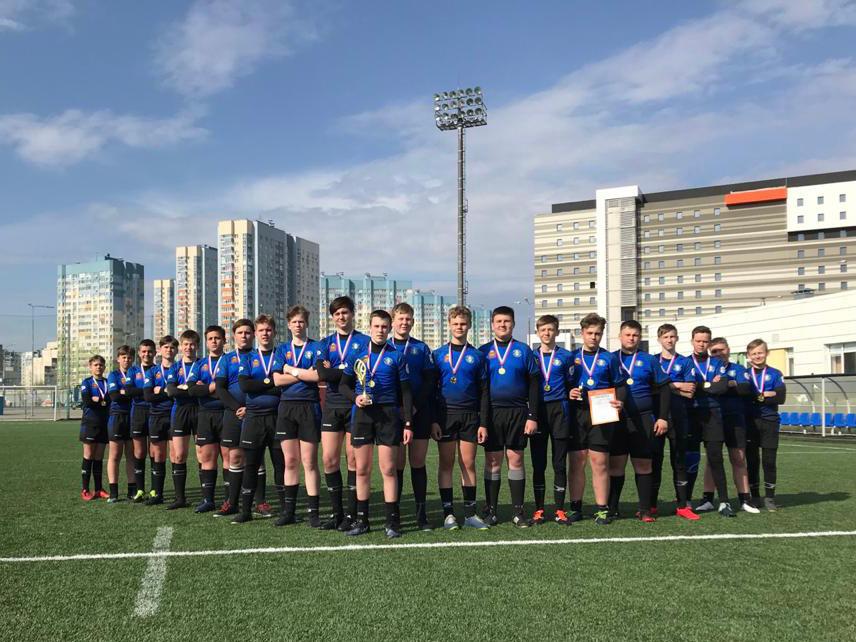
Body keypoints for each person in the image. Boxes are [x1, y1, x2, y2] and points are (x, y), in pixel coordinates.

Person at [339, 309, 413, 538]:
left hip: (388, 415)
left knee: (388, 469)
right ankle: (362, 521)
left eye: (384, 327)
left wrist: (408, 423)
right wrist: (355, 398)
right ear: (369, 327)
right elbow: (343, 385)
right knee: (362, 469)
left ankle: (392, 522)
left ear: (389, 329)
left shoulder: (397, 356)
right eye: (376, 326)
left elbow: (406, 392)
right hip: (363, 415)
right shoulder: (357, 355)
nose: (380, 330)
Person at [479, 306, 540, 527]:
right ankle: (491, 510)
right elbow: (481, 388)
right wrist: (482, 420)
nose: (503, 325)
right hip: (493, 412)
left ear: (513, 324)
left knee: (515, 459)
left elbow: (534, 385)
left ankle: (517, 511)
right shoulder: (483, 351)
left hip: (518, 412)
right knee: (492, 460)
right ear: (492, 324)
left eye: (507, 321)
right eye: (499, 321)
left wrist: (532, 416)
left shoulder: (523, 350)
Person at [431, 305, 490, 530]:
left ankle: (470, 514)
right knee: (446, 463)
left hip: (469, 416)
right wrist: (434, 420)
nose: (459, 327)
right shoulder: (437, 355)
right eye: (455, 323)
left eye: (463, 323)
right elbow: (432, 390)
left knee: (468, 464)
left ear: (469, 325)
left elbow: (484, 392)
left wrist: (483, 422)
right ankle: (448, 514)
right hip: (445, 415)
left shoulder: (477, 356)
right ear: (449, 325)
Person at [606, 320, 671, 522]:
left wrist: (662, 417)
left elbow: (665, 388)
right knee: (616, 465)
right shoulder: (610, 358)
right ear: (620, 336)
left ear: (640, 337)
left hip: (643, 418)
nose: (631, 338)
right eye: (627, 334)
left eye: (635, 335)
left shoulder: (649, 360)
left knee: (643, 465)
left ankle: (644, 510)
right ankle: (612, 508)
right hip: (617, 418)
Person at [567, 313, 625, 525]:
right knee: (577, 461)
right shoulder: (571, 357)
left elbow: (620, 385)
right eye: (590, 333)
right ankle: (575, 507)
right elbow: (564, 384)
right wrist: (569, 391)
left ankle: (602, 509)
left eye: (597, 333)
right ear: (582, 333)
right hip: (577, 413)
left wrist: (620, 401)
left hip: (601, 412)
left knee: (600, 462)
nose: (593, 337)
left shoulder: (609, 358)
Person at [314, 296, 365, 531]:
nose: (341, 317)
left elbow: (361, 374)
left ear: (352, 314)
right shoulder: (324, 343)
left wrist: (335, 370)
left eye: (345, 312)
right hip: (332, 406)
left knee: (353, 460)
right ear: (332, 317)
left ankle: (352, 515)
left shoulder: (364, 342)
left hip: (355, 406)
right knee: (329, 459)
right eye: (337, 314)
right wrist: (346, 370)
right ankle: (337, 514)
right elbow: (323, 375)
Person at [272, 306, 323, 527]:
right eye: (294, 322)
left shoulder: (317, 347)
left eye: (301, 321)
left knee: (309, 462)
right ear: (289, 324)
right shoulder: (282, 349)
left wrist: (290, 370)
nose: (298, 325)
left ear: (307, 323)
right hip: (287, 408)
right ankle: (289, 512)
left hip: (309, 406)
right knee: (290, 461)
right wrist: (303, 374)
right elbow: (277, 380)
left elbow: (318, 376)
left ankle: (313, 514)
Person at [232, 315, 284, 524]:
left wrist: (261, 384)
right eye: (261, 330)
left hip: (277, 417)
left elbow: (284, 385)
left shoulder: (282, 354)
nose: (265, 333)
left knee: (280, 464)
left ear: (274, 332)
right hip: (253, 418)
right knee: (251, 465)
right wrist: (272, 381)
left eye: (268, 330)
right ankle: (246, 510)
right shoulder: (248, 358)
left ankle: (285, 509)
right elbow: (245, 386)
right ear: (256, 333)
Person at [390, 302, 437, 531]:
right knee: (397, 464)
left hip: (419, 411)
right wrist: (399, 408)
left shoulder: (421, 348)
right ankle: (395, 515)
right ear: (392, 321)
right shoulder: (384, 347)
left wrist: (414, 407)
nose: (404, 322)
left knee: (417, 462)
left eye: (408, 319)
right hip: (394, 413)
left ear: (413, 322)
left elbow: (430, 381)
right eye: (400, 318)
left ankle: (421, 516)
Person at [686, 326, 734, 517]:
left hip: (713, 414)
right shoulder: (685, 362)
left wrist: (701, 385)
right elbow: (689, 387)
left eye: (705, 341)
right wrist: (709, 383)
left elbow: (722, 387)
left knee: (715, 458)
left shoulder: (716, 362)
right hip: (691, 414)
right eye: (698, 341)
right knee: (690, 459)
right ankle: (686, 501)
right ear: (692, 341)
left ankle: (724, 502)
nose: (701, 344)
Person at [530, 314, 574, 525]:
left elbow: (572, 382)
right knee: (539, 463)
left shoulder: (566, 356)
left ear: (556, 331)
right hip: (538, 411)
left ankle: (559, 509)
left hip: (560, 410)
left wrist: (573, 392)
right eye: (543, 330)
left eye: (550, 329)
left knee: (559, 463)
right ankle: (539, 509)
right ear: (538, 332)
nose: (547, 333)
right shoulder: (531, 356)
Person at [708, 337, 760, 514]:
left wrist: (723, 384)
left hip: (735, 418)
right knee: (712, 459)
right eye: (714, 351)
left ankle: (745, 499)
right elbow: (707, 389)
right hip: (713, 419)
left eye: (721, 350)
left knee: (738, 458)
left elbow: (745, 389)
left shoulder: (738, 369)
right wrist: (727, 384)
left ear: (728, 350)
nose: (718, 354)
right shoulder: (708, 369)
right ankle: (707, 499)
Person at [652, 325, 699, 520]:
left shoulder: (685, 362)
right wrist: (677, 385)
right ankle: (651, 505)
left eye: (672, 337)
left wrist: (664, 386)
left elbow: (690, 392)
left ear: (677, 338)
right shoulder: (652, 360)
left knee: (679, 461)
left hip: (679, 416)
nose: (669, 340)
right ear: (659, 339)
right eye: (665, 337)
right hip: (657, 416)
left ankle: (682, 505)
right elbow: (651, 388)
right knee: (655, 461)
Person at [213, 319, 257, 518]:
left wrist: (250, 407)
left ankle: (260, 502)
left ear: (253, 334)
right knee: (235, 457)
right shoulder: (227, 359)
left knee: (256, 459)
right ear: (234, 336)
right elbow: (220, 388)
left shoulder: (260, 357)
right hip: (233, 413)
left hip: (256, 412)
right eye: (240, 333)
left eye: (247, 332)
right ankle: (232, 502)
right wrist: (237, 407)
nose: (244, 336)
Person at [187, 325, 228, 513]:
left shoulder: (230, 361)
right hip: (205, 414)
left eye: (217, 338)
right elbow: (191, 389)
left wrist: (205, 388)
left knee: (228, 457)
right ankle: (208, 500)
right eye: (210, 338)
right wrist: (215, 388)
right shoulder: (199, 364)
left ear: (224, 340)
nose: (214, 341)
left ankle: (229, 500)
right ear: (206, 342)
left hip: (226, 413)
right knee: (207, 457)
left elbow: (231, 388)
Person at [745, 339, 786, 511]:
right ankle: (755, 497)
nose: (757, 356)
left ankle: (770, 498)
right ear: (749, 356)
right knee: (752, 460)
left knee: (769, 461)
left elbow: (781, 398)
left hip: (770, 421)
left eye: (760, 352)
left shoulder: (775, 373)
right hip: (750, 421)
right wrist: (766, 395)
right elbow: (745, 396)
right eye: (754, 353)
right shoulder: (745, 374)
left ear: (767, 353)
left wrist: (759, 396)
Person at [164, 329, 201, 510]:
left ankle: (206, 497)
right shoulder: (175, 367)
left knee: (203, 455)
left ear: (197, 346)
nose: (189, 347)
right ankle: (180, 498)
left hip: (200, 411)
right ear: (181, 346)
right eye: (186, 344)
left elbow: (203, 390)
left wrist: (184, 388)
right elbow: (171, 391)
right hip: (179, 412)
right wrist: (192, 388)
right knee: (178, 455)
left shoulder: (203, 365)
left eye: (192, 344)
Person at [143, 336, 178, 505]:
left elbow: (183, 392)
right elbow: (148, 396)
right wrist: (170, 391)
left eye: (172, 347)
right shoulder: (152, 371)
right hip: (156, 416)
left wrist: (161, 391)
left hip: (175, 415)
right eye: (165, 347)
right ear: (160, 350)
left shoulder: (181, 369)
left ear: (176, 350)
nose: (169, 350)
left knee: (176, 455)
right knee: (158, 454)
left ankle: (179, 496)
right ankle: (157, 494)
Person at [105, 345, 136, 502]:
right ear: (118, 359)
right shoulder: (113, 375)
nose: (126, 360)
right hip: (117, 417)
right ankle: (114, 492)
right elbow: (114, 396)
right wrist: (130, 393)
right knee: (115, 455)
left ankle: (132, 490)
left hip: (133, 416)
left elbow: (140, 393)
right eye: (123, 357)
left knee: (131, 455)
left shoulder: (136, 373)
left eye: (129, 357)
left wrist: (125, 392)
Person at [127, 339, 155, 502]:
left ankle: (154, 489)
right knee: (139, 452)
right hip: (137, 412)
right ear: (139, 353)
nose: (147, 354)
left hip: (155, 412)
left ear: (155, 353)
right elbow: (128, 391)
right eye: (144, 351)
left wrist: (141, 391)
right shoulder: (133, 371)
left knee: (154, 452)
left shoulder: (158, 370)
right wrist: (149, 390)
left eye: (150, 351)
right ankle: (139, 490)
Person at [79, 355, 109, 500]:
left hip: (104, 424)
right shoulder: (87, 382)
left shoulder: (107, 382)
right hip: (90, 424)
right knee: (88, 456)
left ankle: (98, 489)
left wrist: (99, 400)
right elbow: (87, 401)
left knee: (99, 457)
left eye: (101, 365)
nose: (98, 367)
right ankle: (85, 489)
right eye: (96, 365)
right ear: (90, 367)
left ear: (104, 367)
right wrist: (102, 401)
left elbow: (111, 399)